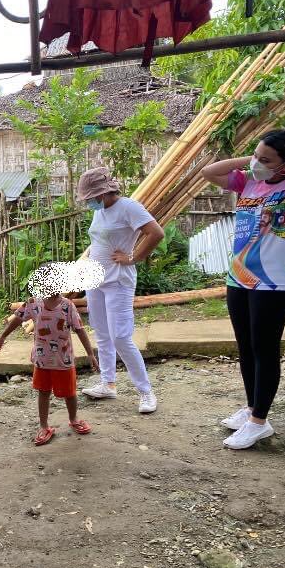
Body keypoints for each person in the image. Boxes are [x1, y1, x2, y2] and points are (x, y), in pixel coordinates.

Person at [201, 131, 285, 449]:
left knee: (264, 348)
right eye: (256, 156)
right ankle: (251, 407)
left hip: (276, 283)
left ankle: (260, 422)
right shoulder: (248, 183)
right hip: (239, 278)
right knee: (246, 347)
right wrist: (256, 160)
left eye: (267, 160)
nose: (257, 163)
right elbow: (208, 172)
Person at [75, 167, 165, 414]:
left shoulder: (129, 207)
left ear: (102, 193)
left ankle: (146, 392)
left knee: (121, 337)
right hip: (95, 279)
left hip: (118, 280)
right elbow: (99, 242)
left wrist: (133, 257)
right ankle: (108, 383)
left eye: (89, 197)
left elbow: (156, 233)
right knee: (102, 333)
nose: (88, 202)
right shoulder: (101, 211)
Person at [0, 291, 98, 446]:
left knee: (70, 393)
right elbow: (17, 318)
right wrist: (3, 336)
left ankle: (74, 419)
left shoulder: (68, 306)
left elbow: (79, 329)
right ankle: (44, 426)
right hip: (42, 360)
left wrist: (90, 353)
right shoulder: (33, 303)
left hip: (63, 360)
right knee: (43, 392)